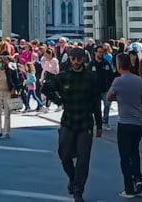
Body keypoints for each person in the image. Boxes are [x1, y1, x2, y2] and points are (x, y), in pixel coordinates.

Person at [43, 47, 102, 202]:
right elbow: (45, 88)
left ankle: (78, 191)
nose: (76, 62)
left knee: (83, 159)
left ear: (83, 59)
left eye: (79, 59)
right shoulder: (63, 76)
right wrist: (58, 100)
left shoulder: (91, 77)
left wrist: (100, 124)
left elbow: (96, 102)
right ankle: (72, 177)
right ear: (70, 59)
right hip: (68, 122)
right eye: (74, 59)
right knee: (64, 155)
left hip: (85, 123)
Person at [107, 53, 142, 198]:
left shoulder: (118, 81)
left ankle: (129, 188)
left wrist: (120, 97)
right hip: (139, 123)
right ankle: (138, 179)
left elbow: (110, 96)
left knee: (124, 156)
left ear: (118, 65)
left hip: (125, 122)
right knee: (134, 151)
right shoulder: (139, 80)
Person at [88, 44, 115, 130]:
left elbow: (111, 75)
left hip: (106, 89)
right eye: (99, 52)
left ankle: (105, 122)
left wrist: (112, 87)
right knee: (97, 107)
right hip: (95, 90)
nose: (101, 54)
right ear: (95, 53)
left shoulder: (106, 63)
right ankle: (97, 122)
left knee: (107, 105)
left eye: (102, 52)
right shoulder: (91, 64)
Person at [0, 53, 19, 139]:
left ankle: (7, 131)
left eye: (0, 62)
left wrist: (14, 89)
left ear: (4, 62)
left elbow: (16, 81)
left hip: (8, 93)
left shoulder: (10, 71)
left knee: (7, 113)